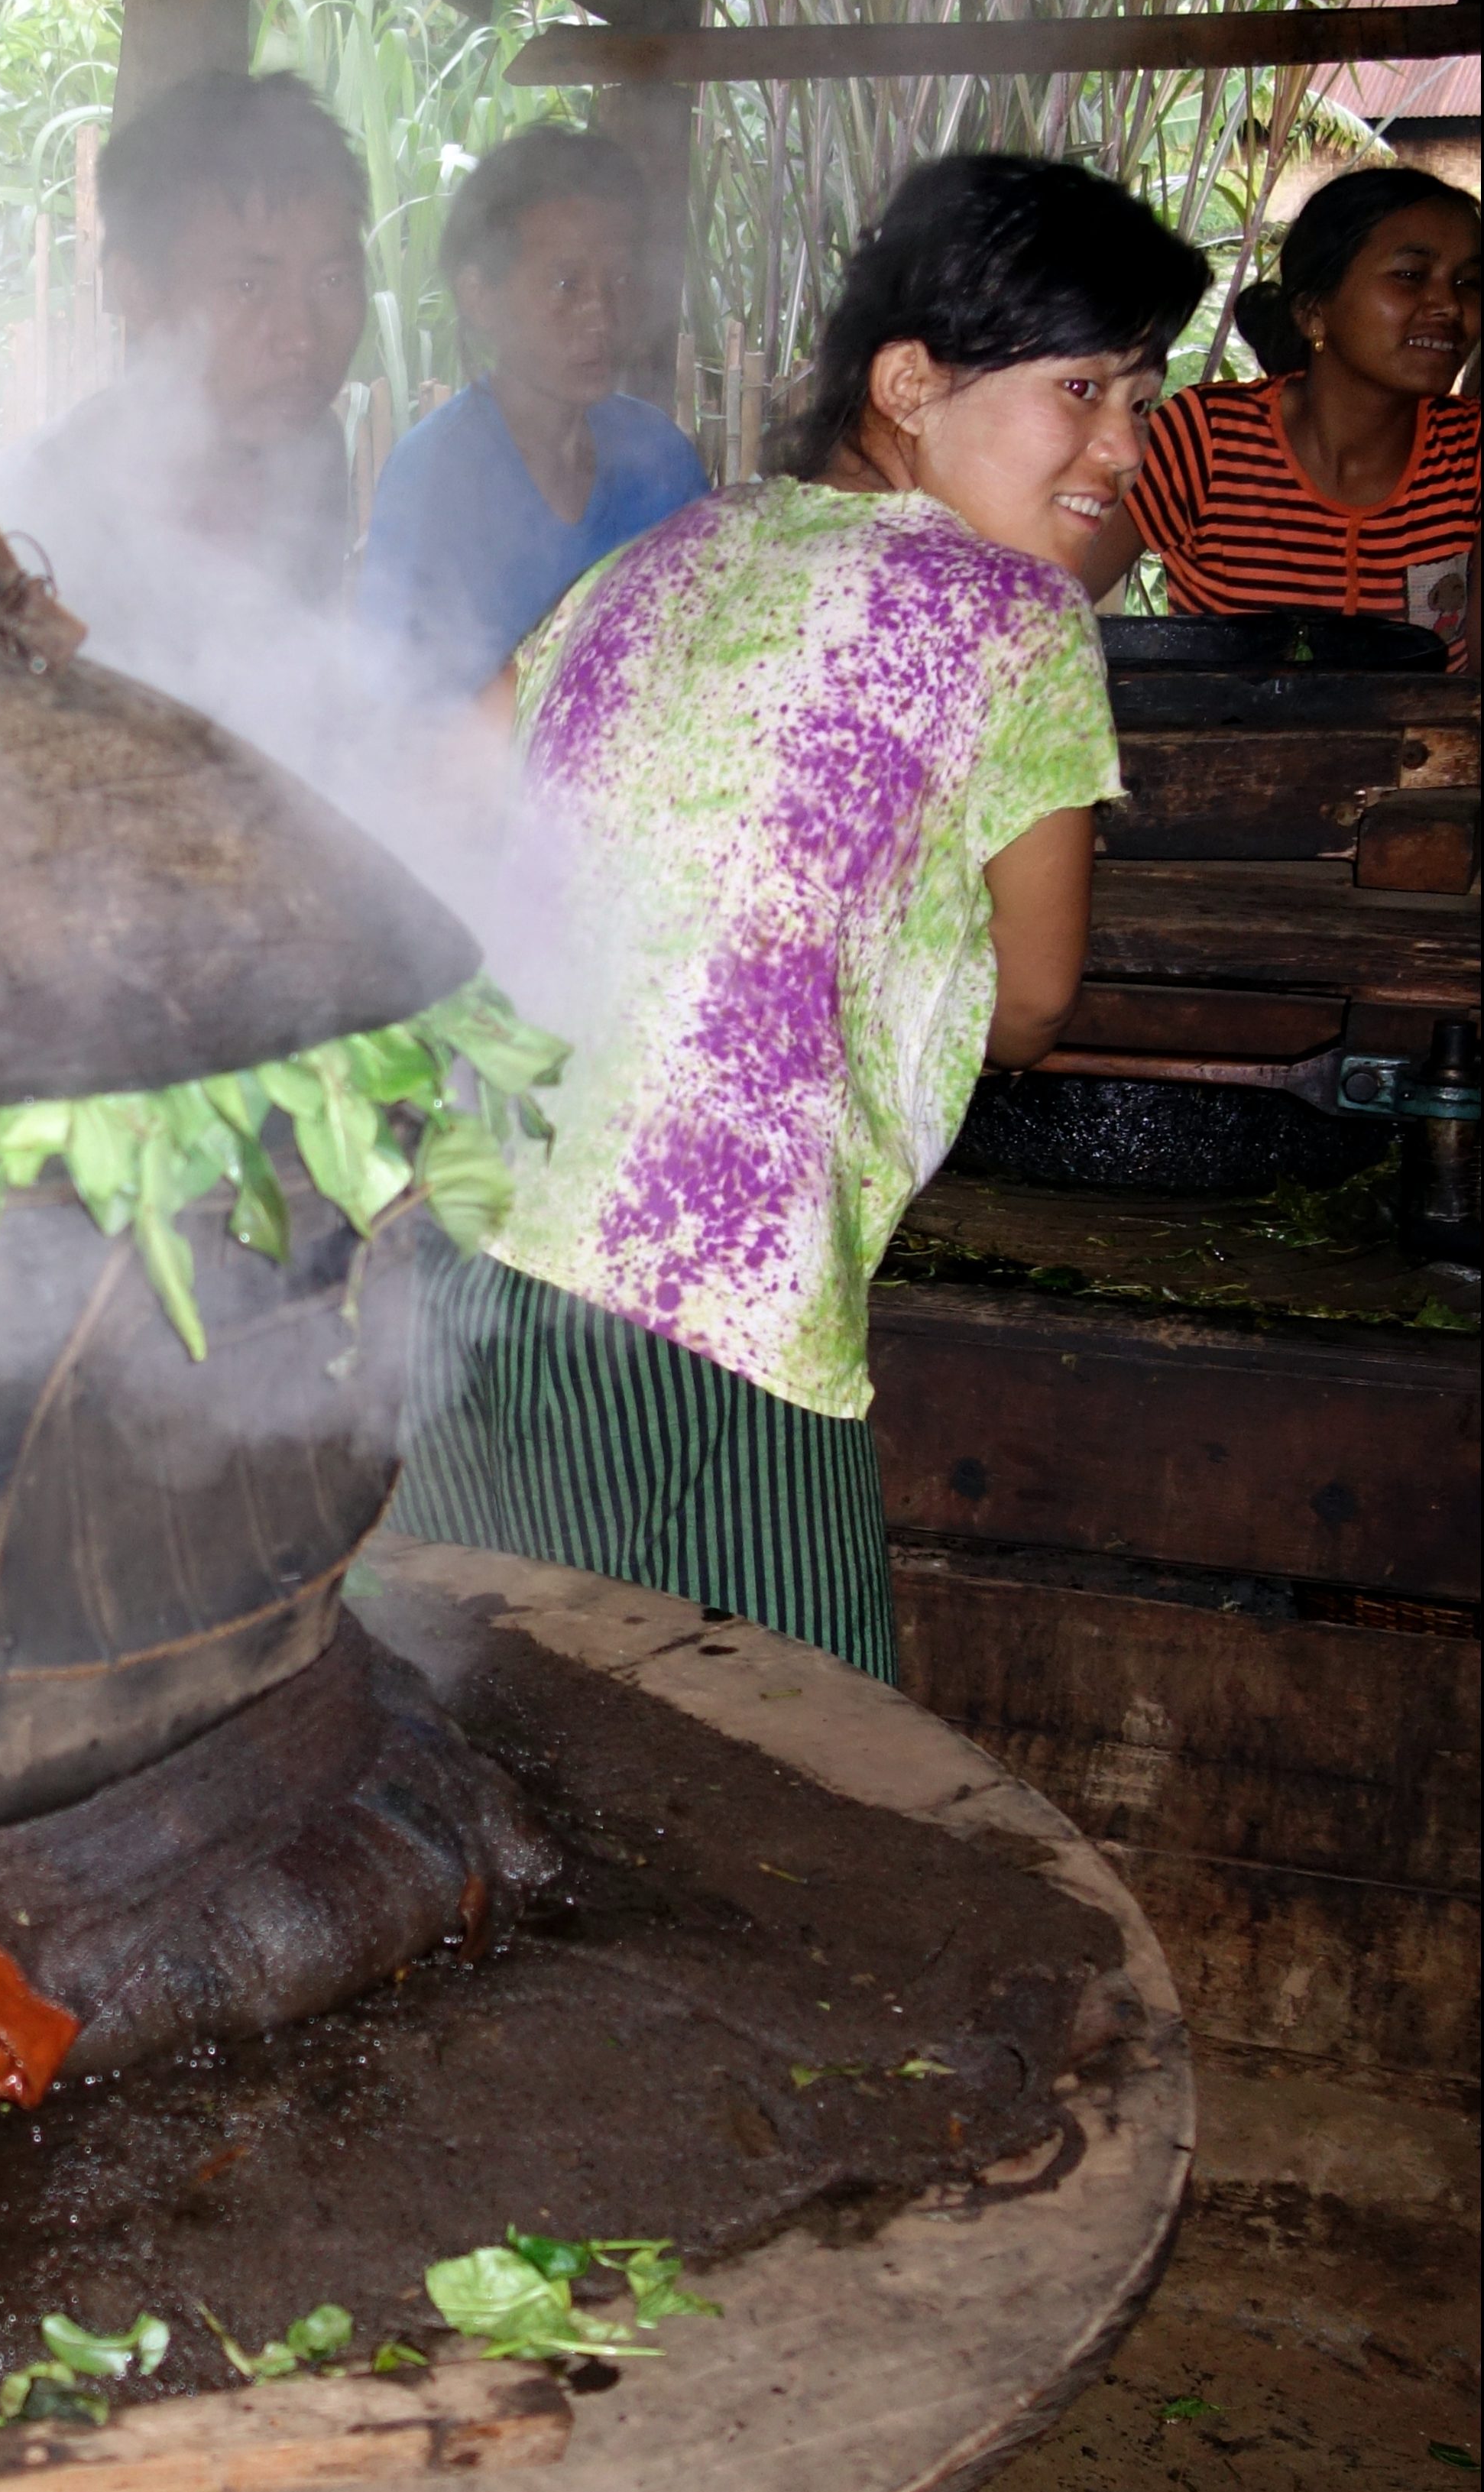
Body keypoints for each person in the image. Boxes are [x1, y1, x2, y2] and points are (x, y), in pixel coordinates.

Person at [394, 154, 1208, 1680]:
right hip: (719, 1286)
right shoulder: (1019, 618)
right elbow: (1034, 1001)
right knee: (784, 1757)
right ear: (907, 382)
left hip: (470, 1245)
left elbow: (440, 797)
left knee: (474, 1713)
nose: (1121, 444)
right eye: (1079, 387)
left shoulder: (674, 543)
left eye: (1141, 399)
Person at [0, 70, 368, 698]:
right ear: (137, 292)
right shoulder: (30, 527)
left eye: (332, 281)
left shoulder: (313, 452)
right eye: (248, 286)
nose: (300, 336)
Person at [355, 130, 706, 703]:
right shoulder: (434, 480)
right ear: (480, 298)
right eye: (566, 284)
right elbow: (394, 709)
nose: (601, 314)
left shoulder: (663, 461)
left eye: (620, 279)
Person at [1085, 164, 1479, 665]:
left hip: (1426, 721)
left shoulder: (1468, 454)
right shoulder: (1208, 440)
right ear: (1313, 312)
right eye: (1410, 276)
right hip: (1232, 720)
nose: (1448, 305)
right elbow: (1049, 603)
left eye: (1469, 282)